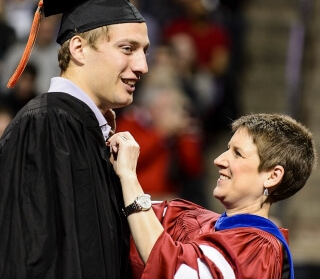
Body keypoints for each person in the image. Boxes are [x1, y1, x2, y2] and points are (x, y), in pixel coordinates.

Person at [0, 0, 149, 278]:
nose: (142, 66)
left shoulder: (88, 131)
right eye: (127, 48)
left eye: (144, 51)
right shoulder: (45, 126)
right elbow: (30, 258)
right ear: (79, 49)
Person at [108, 113, 317, 279]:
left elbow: (176, 271)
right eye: (227, 149)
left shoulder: (258, 250)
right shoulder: (198, 219)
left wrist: (129, 175)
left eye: (238, 153)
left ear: (273, 176)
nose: (219, 160)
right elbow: (123, 213)